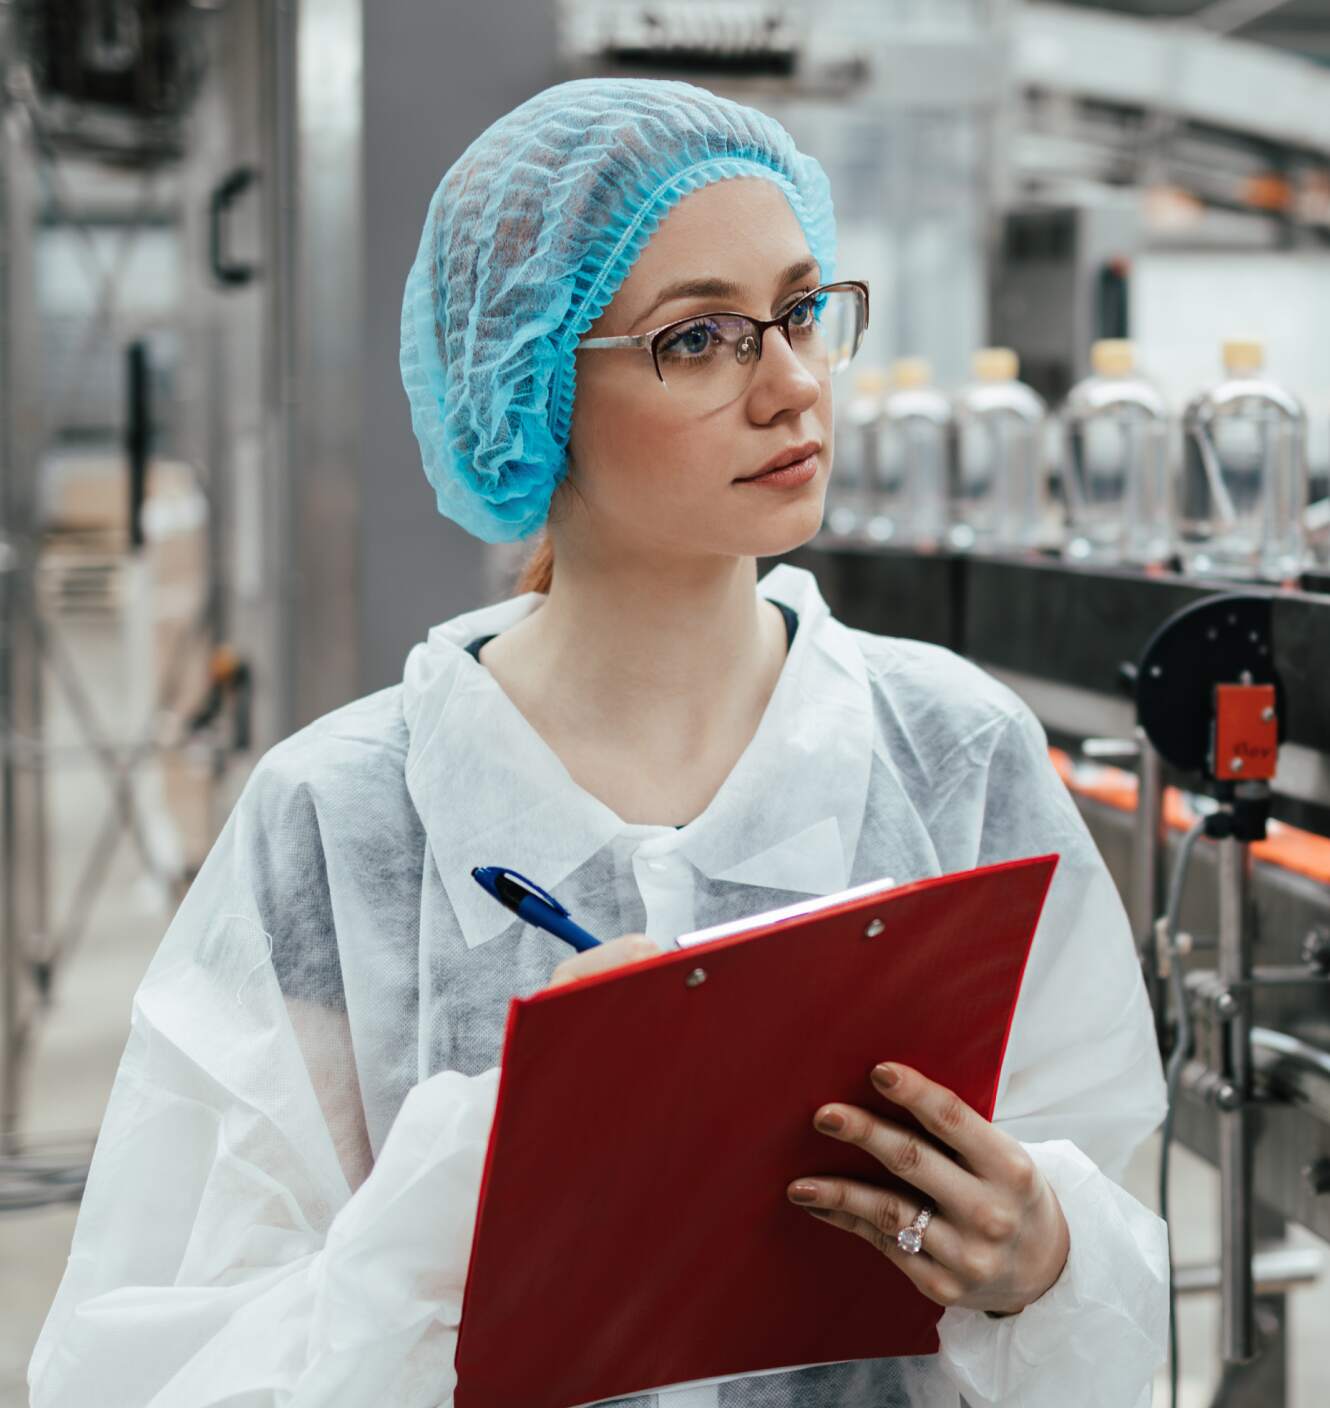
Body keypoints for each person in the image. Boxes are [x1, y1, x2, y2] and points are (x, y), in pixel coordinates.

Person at [29, 78, 1167, 1408]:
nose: (792, 384)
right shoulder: (345, 819)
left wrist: (1042, 1262)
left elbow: (1103, 1253)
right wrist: (478, 1180)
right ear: (524, 383)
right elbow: (167, 1358)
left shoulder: (949, 754)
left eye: (801, 312)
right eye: (700, 341)